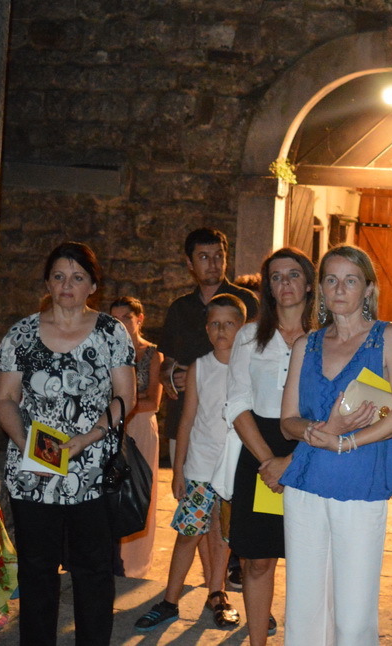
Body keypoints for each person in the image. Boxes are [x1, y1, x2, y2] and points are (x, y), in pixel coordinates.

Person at [0, 241, 136, 646]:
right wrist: (28, 444)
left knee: (93, 569)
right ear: (47, 283)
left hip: (93, 468)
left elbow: (126, 396)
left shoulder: (111, 332)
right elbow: (4, 398)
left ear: (93, 285)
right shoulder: (21, 334)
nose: (67, 285)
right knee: (36, 569)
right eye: (58, 276)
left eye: (77, 277)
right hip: (34, 467)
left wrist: (88, 438)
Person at [278, 245, 392, 646]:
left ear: (368, 289)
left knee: (354, 617)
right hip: (305, 483)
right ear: (321, 289)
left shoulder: (387, 338)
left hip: (360, 483)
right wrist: (317, 431)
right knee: (303, 610)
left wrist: (345, 441)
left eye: (351, 280)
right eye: (331, 280)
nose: (340, 289)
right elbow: (288, 421)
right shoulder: (306, 345)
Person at [135, 294, 246, 632]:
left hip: (233, 468)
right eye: (215, 324)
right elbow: (186, 420)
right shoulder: (201, 367)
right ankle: (170, 601)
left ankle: (218, 594)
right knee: (188, 534)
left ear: (242, 328)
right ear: (207, 329)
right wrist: (179, 469)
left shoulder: (250, 369)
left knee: (223, 537)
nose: (221, 330)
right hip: (200, 467)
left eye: (229, 324)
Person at [159, 228, 259, 591]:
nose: (213, 263)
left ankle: (221, 584)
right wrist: (172, 375)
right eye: (203, 257)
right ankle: (210, 586)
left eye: (218, 256)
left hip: (234, 428)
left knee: (226, 518)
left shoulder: (247, 302)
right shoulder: (180, 309)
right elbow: (164, 362)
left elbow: (262, 354)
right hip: (190, 421)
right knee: (196, 514)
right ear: (189, 263)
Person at [226, 247, 316, 646]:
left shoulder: (326, 338)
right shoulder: (249, 336)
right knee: (259, 560)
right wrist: (270, 463)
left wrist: (292, 462)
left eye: (293, 274)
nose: (285, 283)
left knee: (308, 561)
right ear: (268, 288)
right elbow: (236, 403)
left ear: (309, 283)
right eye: (276, 277)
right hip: (261, 451)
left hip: (311, 449)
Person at [109, 296, 163, 577]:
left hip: (140, 425)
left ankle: (136, 564)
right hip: (111, 426)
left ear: (139, 319)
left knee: (139, 490)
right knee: (110, 491)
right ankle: (111, 558)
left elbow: (153, 401)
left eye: (126, 318)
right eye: (115, 318)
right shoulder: (105, 351)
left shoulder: (153, 354)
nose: (120, 323)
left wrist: (120, 405)